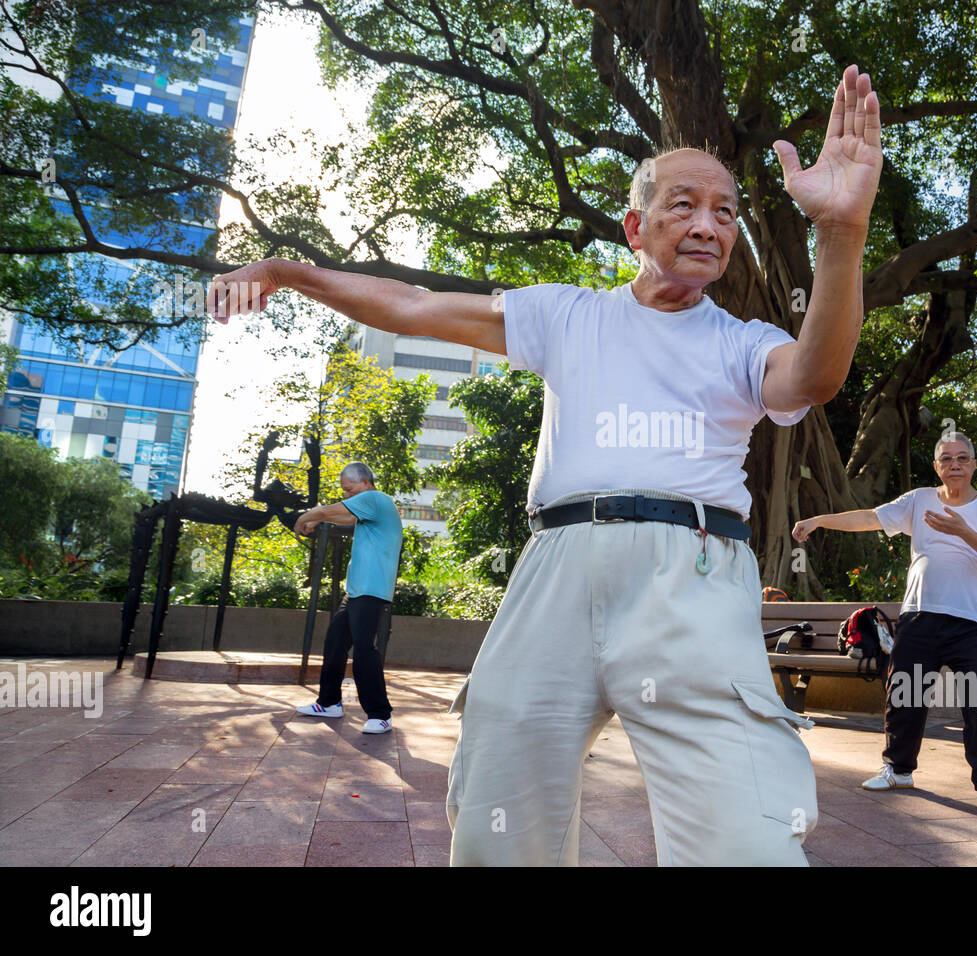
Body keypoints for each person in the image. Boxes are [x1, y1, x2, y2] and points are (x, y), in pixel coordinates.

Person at [209, 64, 883, 865]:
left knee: (743, 836)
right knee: (500, 813)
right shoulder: (566, 314)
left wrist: (841, 234)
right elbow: (416, 306)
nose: (709, 225)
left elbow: (816, 375)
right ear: (635, 228)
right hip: (554, 570)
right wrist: (289, 272)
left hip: (692, 580)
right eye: (685, 205)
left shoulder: (745, 343)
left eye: (726, 213)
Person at [792, 433, 977, 820]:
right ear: (936, 467)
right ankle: (898, 770)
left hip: (970, 623)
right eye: (946, 459)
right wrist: (818, 520)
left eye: (963, 458)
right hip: (919, 616)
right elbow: (869, 517)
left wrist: (962, 530)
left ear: (974, 464)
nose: (955, 465)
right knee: (905, 696)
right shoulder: (919, 500)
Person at [292, 462, 403, 735]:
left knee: (364, 649)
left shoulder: (376, 498)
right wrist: (318, 519)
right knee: (334, 643)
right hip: (356, 592)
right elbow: (345, 517)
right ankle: (329, 703)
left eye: (350, 490)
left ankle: (380, 714)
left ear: (365, 482)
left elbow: (335, 510)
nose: (348, 496)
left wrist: (305, 516)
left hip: (371, 590)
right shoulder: (366, 510)